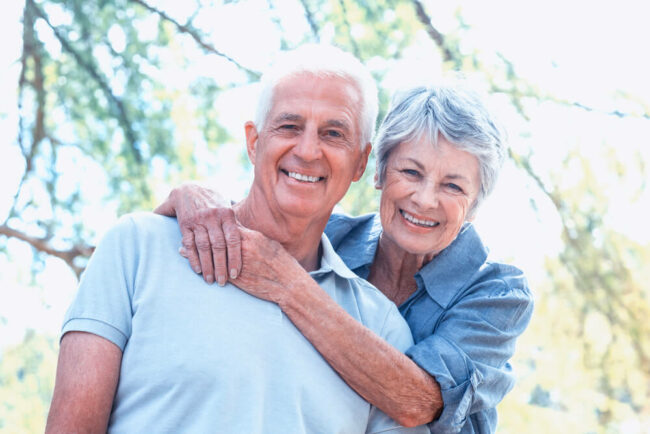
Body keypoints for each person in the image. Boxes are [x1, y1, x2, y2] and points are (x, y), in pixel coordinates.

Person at [45, 45, 428, 434]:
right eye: (289, 126)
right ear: (253, 141)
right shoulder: (137, 248)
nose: (309, 150)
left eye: (333, 133)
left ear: (361, 163)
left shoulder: (382, 329)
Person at [156, 83, 535, 433]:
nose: (424, 199)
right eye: (410, 172)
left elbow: (417, 403)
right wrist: (191, 196)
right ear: (378, 173)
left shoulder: (498, 292)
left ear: (474, 205)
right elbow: (241, 225)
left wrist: (289, 284)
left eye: (452, 185)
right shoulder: (329, 236)